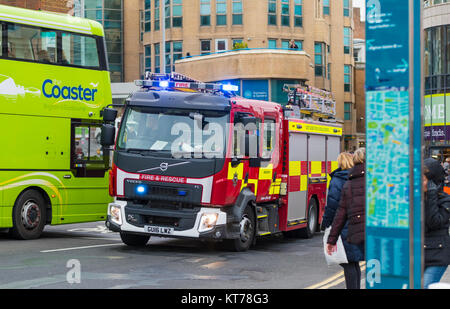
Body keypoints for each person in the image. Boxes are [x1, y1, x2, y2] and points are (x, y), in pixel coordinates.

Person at [321, 152, 365, 289]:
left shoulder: (337, 180)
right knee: (353, 261)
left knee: (348, 263)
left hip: (346, 226)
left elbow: (333, 206)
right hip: (358, 225)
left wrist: (326, 224)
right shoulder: (358, 178)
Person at [422, 158, 450, 289]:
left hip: (437, 256)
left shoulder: (445, 199)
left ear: (433, 181)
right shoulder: (414, 197)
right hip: (417, 254)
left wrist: (431, 196)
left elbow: (434, 222)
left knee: (426, 286)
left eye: (422, 179)